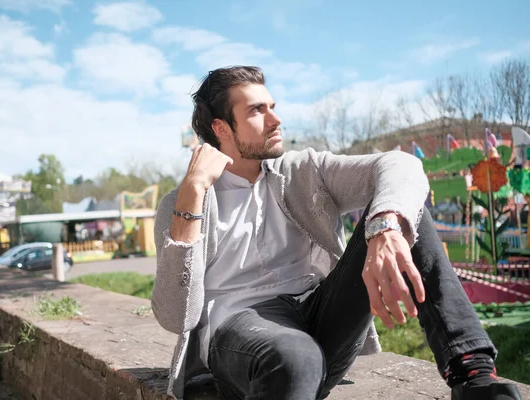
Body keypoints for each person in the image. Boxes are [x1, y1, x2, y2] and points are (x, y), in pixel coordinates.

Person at [152, 66, 522, 400]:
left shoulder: (302, 171)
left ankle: (473, 375)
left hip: (320, 314)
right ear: (221, 128)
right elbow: (174, 317)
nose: (275, 119)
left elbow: (400, 164)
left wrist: (385, 228)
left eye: (271, 106)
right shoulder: (183, 202)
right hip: (241, 330)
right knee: (296, 357)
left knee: (401, 210)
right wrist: (193, 194)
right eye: (256, 111)